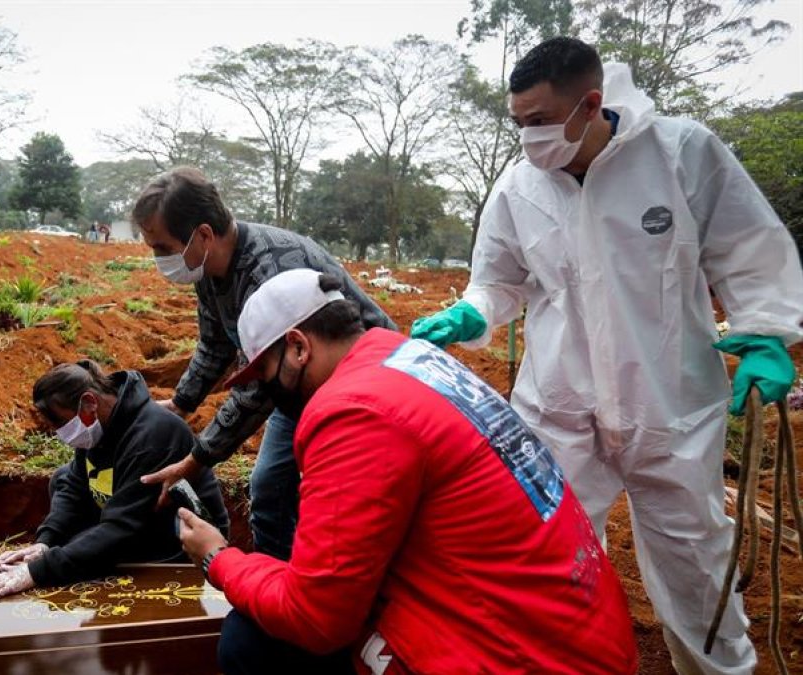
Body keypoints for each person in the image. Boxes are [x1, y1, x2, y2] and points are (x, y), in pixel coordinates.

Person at [410, 38, 803, 674]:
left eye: (538, 122)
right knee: (538, 552)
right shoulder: (518, 188)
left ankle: (716, 669)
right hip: (560, 406)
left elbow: (747, 246)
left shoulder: (679, 153)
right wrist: (474, 311)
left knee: (696, 565)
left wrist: (764, 332)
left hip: (668, 408)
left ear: (591, 104)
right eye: (518, 124)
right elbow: (500, 281)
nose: (527, 139)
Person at [178, 269, 638, 675]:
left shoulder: (354, 411)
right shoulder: (404, 359)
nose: (265, 392)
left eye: (264, 375)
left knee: (252, 639)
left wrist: (219, 559)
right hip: (576, 629)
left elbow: (316, 618)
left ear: (298, 347)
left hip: (527, 657)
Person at [132, 167, 395, 562]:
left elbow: (257, 391)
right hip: (295, 386)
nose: (159, 260)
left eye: (163, 248)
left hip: (363, 388)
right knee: (270, 486)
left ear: (202, 235)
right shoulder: (206, 267)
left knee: (343, 502)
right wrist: (183, 402)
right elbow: (215, 343)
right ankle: (278, 588)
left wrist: (196, 459)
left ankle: (314, 593)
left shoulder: (272, 269)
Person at [0, 360, 228, 601]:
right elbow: (74, 484)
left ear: (90, 403)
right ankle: (80, 553)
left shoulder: (153, 436)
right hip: (134, 523)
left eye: (61, 422)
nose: (61, 433)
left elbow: (122, 528)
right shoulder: (100, 424)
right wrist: (46, 543)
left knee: (102, 546)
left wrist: (37, 572)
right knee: (62, 478)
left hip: (175, 544)